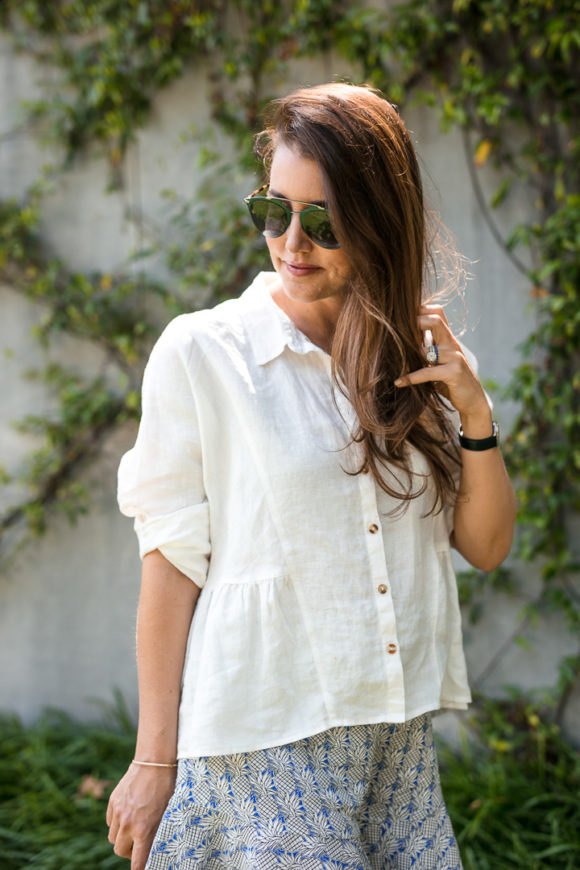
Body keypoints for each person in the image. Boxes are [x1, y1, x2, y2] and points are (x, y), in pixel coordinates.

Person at [106, 82, 516, 870]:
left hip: (397, 752)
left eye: (323, 222)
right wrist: (154, 760)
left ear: (377, 223)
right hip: (265, 745)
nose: (292, 241)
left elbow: (487, 545)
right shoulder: (204, 354)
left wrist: (474, 412)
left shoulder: (417, 362)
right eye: (274, 211)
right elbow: (170, 563)